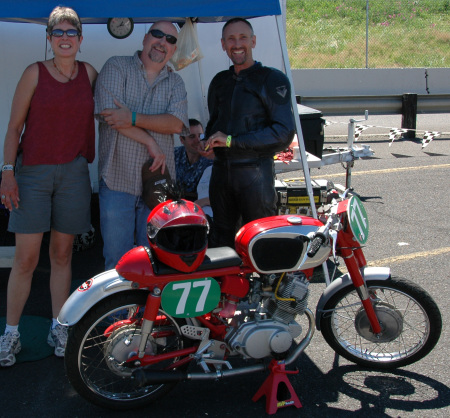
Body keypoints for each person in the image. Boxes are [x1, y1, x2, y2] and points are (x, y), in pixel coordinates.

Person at [0, 6, 97, 367]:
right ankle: (10, 333)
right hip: (33, 174)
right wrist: (7, 172)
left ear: (81, 39)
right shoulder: (34, 73)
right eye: (59, 32)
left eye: (72, 32)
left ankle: (60, 326)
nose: (65, 38)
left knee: (62, 255)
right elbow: (13, 129)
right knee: (26, 259)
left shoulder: (89, 73)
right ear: (49, 38)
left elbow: (110, 110)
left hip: (73, 174)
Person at [96, 21, 189, 270]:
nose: (163, 42)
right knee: (117, 263)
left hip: (157, 188)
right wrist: (150, 139)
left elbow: (177, 125)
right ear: (145, 38)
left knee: (152, 263)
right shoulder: (116, 66)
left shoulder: (176, 82)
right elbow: (110, 116)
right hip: (117, 181)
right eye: (158, 34)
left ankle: (143, 312)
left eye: (170, 40)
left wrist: (132, 118)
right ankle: (117, 311)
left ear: (173, 49)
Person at [204, 18, 296, 248]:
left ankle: (267, 284)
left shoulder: (272, 79)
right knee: (221, 244)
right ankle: (227, 286)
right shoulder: (219, 82)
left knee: (262, 243)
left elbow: (283, 133)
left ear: (253, 41)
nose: (237, 44)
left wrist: (232, 141)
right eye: (231, 39)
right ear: (223, 44)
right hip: (221, 176)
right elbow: (214, 125)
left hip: (254, 176)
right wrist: (207, 144)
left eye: (243, 38)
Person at [175, 118, 213, 200]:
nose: (198, 140)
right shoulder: (174, 155)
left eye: (200, 136)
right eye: (192, 137)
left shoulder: (212, 159)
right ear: (182, 140)